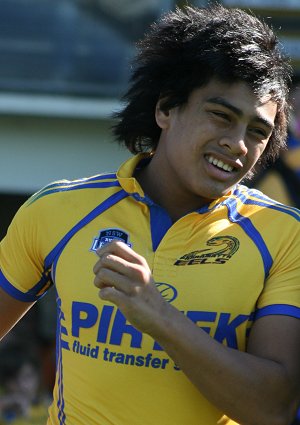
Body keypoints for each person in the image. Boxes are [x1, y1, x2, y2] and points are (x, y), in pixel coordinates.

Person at [0, 4, 299, 425]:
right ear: (166, 110)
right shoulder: (57, 210)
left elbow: (273, 409)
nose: (237, 143)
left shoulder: (284, 235)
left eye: (257, 131)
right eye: (220, 115)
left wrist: (156, 314)